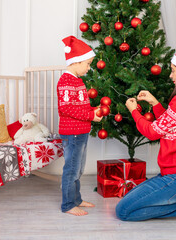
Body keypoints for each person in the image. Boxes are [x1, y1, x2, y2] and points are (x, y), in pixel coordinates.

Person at [115, 45, 176, 228]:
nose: (170, 76)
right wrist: (155, 103)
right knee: (129, 201)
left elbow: (152, 131)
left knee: (123, 212)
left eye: (173, 71)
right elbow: (172, 125)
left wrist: (134, 111)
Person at [58, 36, 102, 216]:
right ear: (76, 62)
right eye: (88, 64)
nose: (89, 68)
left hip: (81, 132)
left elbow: (79, 107)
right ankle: (68, 204)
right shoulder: (66, 81)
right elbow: (67, 108)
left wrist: (93, 109)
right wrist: (91, 115)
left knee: (79, 168)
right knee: (72, 169)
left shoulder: (77, 81)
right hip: (73, 133)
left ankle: (76, 199)